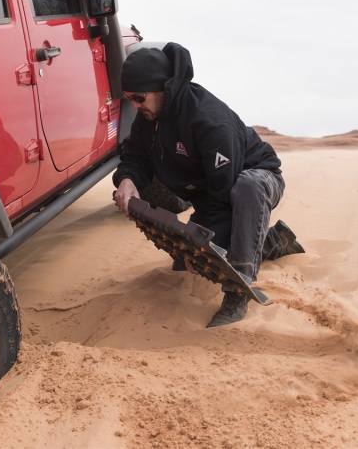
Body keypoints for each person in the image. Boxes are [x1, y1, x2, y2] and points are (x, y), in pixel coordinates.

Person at [112, 42, 304, 327]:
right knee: (190, 259)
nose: (135, 106)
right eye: (129, 98)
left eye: (139, 98)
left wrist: (207, 244)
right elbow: (135, 155)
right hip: (208, 194)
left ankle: (238, 291)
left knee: (246, 188)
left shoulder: (210, 122)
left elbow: (224, 196)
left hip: (256, 181)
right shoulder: (149, 116)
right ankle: (273, 242)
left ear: (163, 88)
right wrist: (127, 180)